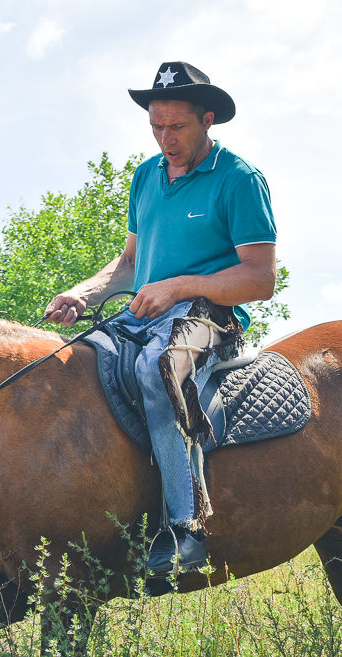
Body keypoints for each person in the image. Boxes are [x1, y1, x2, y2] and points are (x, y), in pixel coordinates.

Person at [44, 62, 276, 577]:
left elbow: (260, 279)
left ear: (207, 120)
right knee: (71, 362)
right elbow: (129, 262)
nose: (165, 139)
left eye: (177, 127)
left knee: (158, 368)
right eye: (156, 126)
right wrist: (81, 293)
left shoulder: (239, 179)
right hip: (142, 313)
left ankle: (186, 530)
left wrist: (178, 285)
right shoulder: (146, 175)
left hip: (211, 316)